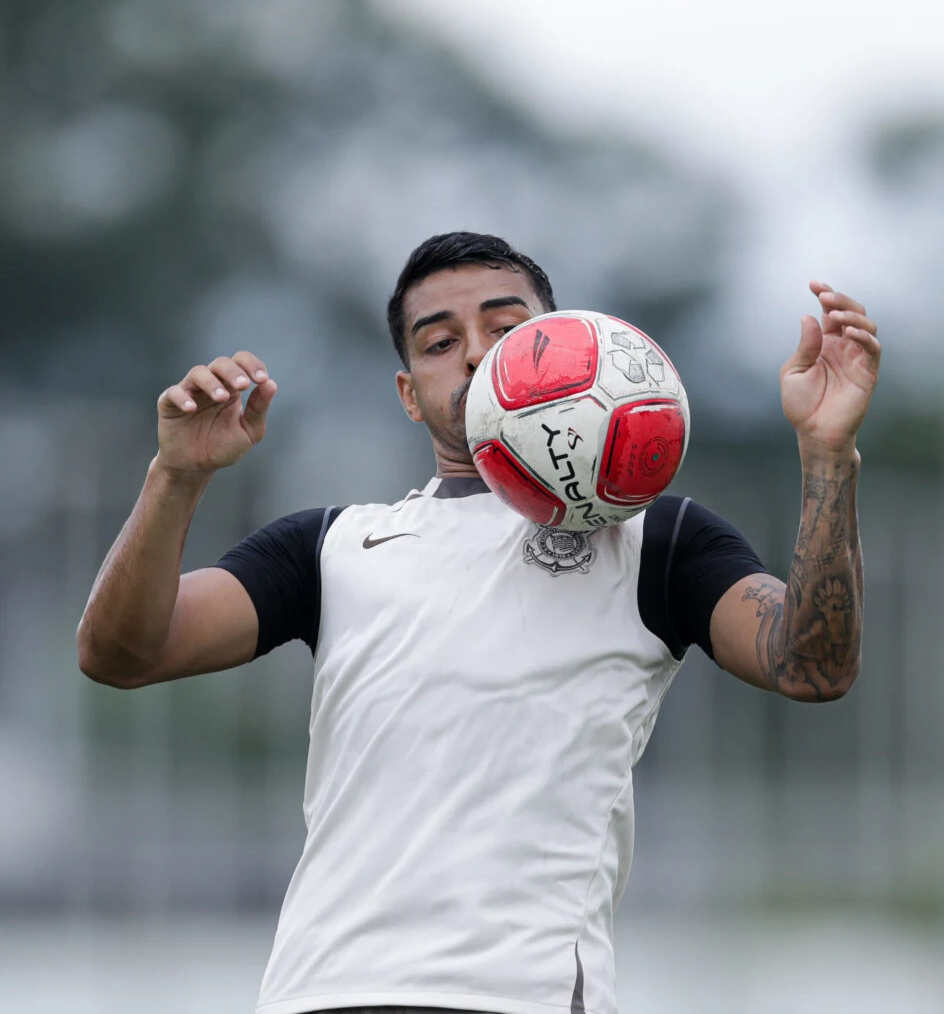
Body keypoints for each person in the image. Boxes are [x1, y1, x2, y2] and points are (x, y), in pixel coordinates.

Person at [77, 232, 879, 1014]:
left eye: (505, 329)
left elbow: (812, 667)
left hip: (514, 995)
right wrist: (175, 476)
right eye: (439, 341)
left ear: (564, 342)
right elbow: (120, 653)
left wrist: (827, 455)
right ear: (407, 392)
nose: (474, 352)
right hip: (318, 992)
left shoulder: (657, 541)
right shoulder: (332, 546)